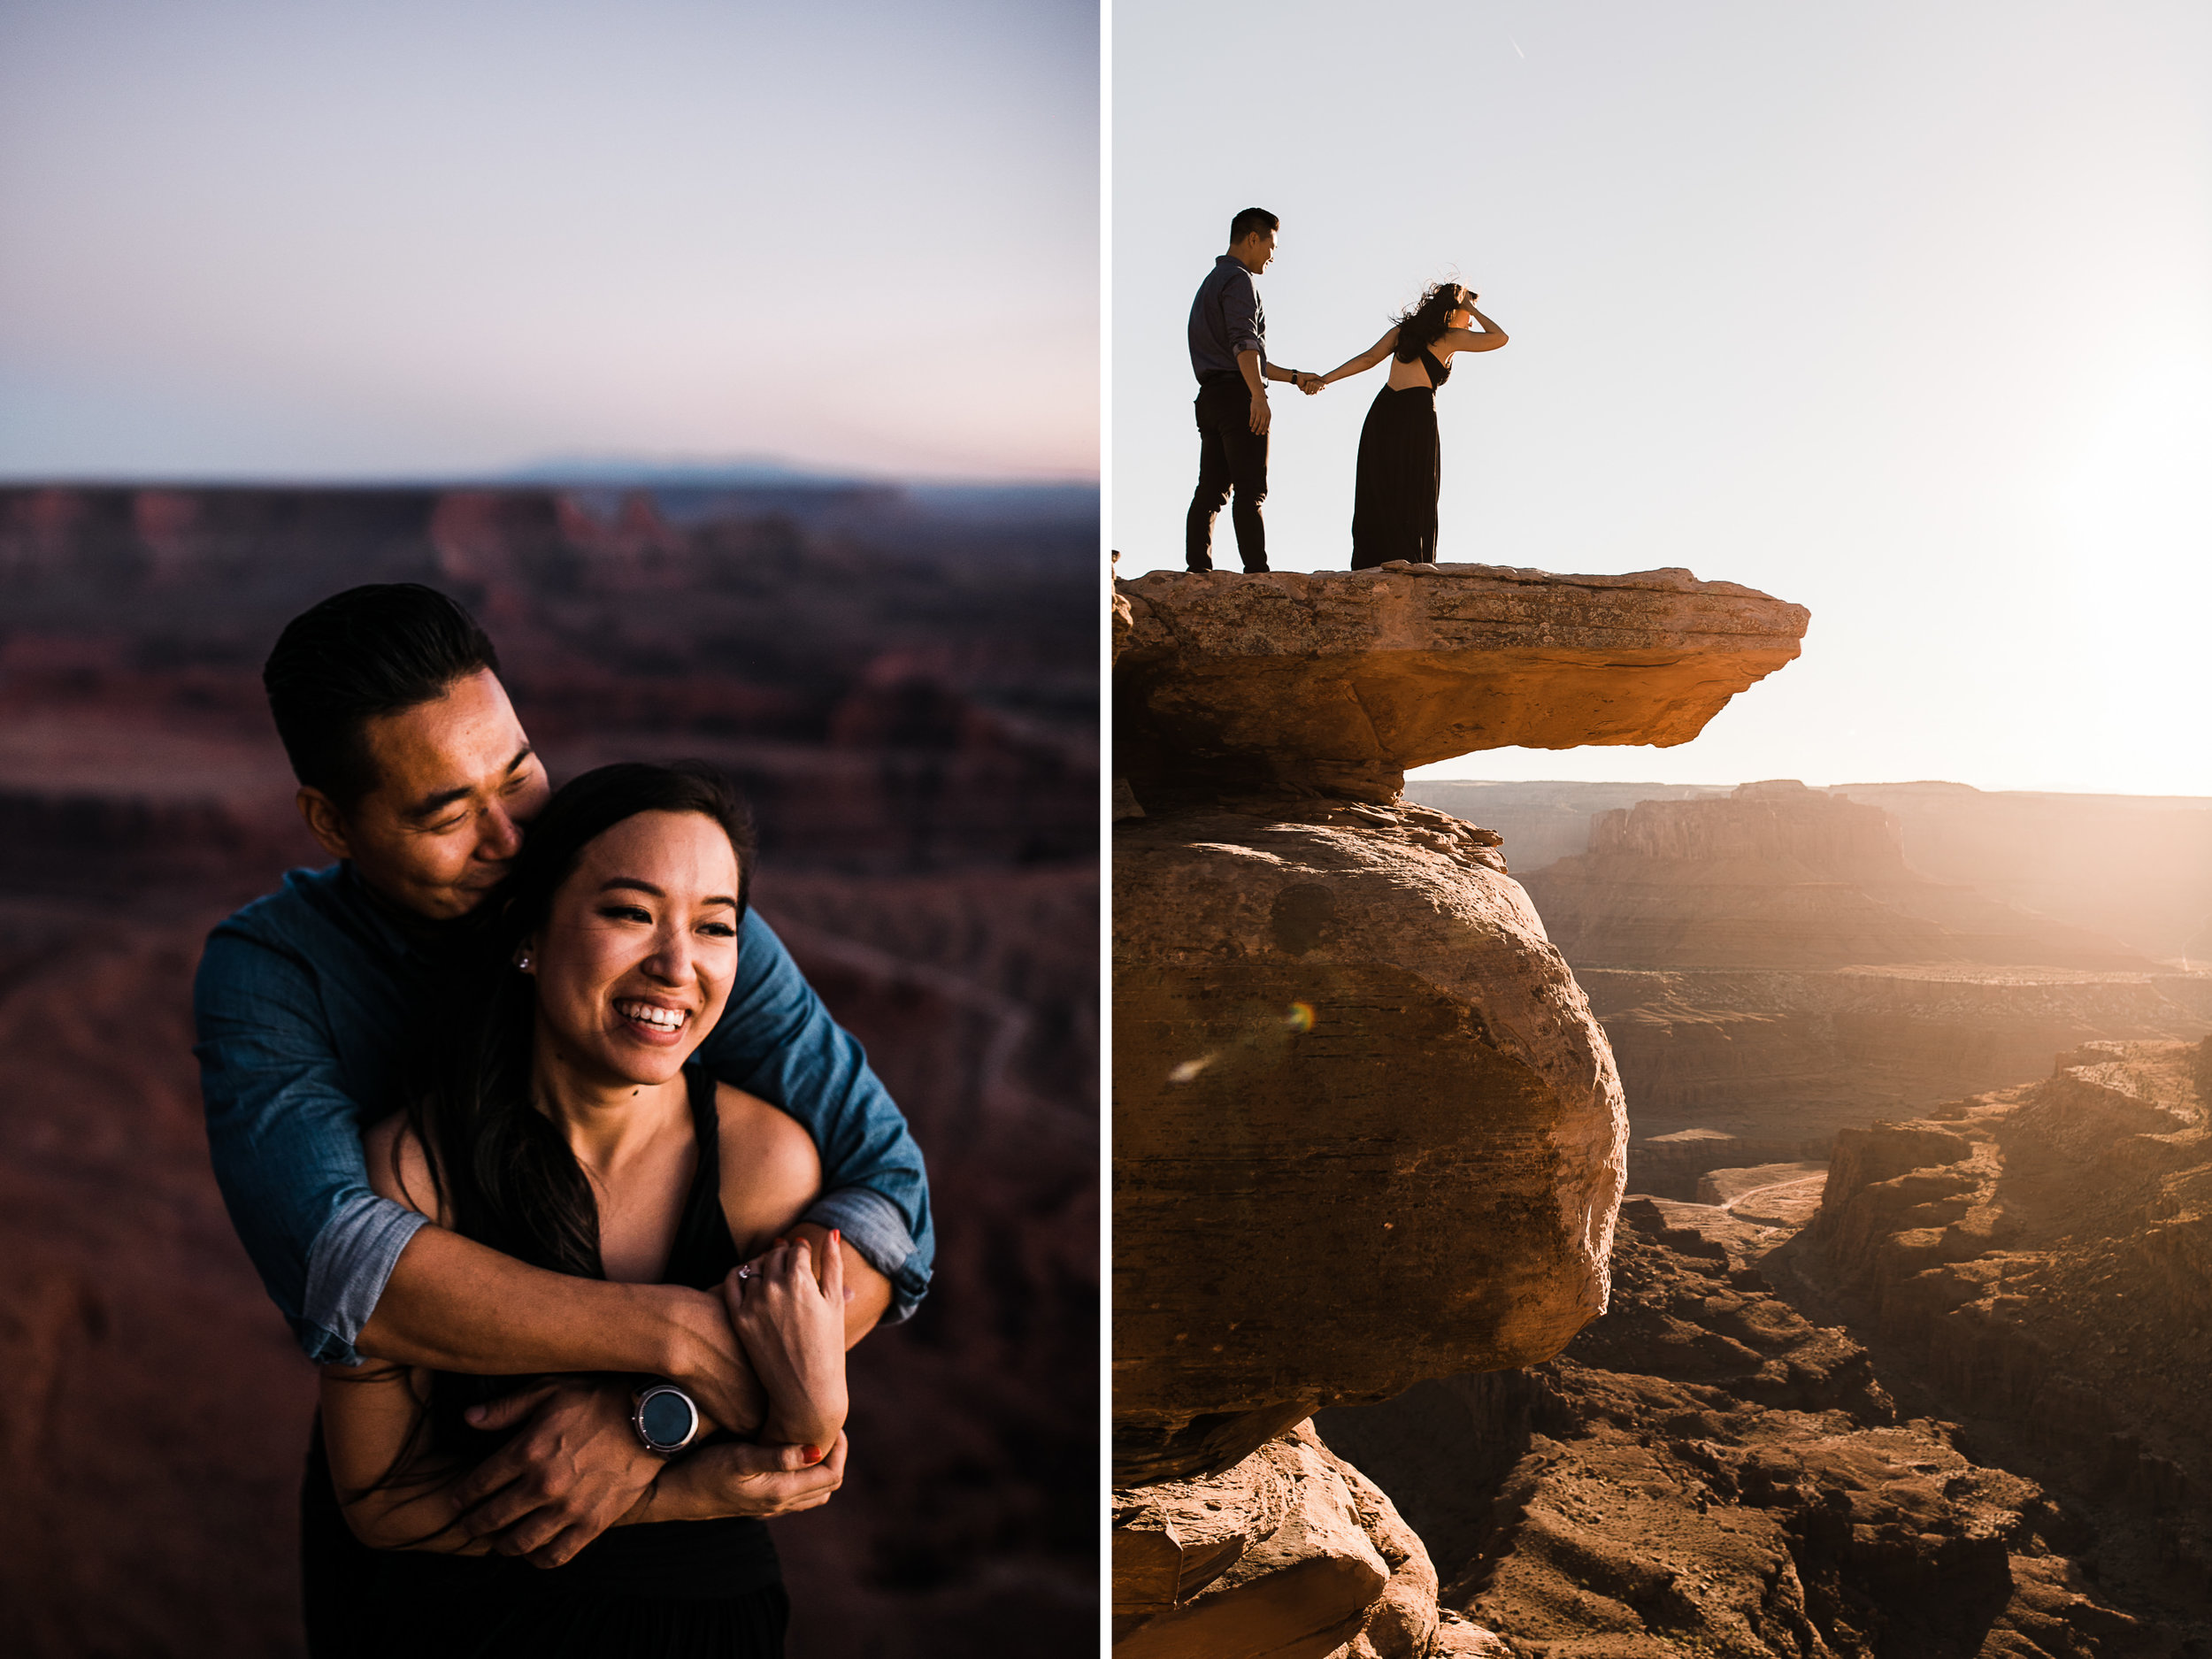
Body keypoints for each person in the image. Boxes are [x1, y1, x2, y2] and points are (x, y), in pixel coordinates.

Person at [191, 586, 931, 1645]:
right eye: (446, 814)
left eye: (519, 775)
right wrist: (684, 1341)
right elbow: (345, 1265)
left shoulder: (655, 913)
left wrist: (646, 1421)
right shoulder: (273, 975)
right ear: (331, 821)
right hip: (436, 1546)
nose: (508, 837)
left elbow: (891, 1198)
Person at [316, 761, 849, 1655]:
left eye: (715, 927)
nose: (677, 966)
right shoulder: (415, 1171)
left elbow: (803, 1459)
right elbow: (380, 1505)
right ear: (530, 930)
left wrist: (649, 1431)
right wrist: (678, 1490)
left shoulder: (768, 1167)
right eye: (630, 912)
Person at [1314, 282, 1509, 568]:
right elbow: (1499, 338)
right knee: (1413, 491)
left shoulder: (1403, 333)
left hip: (1383, 413)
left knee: (1382, 488)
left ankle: (1376, 562)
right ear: (1454, 310)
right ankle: (1409, 563)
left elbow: (1368, 359)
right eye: (1467, 313)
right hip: (1414, 415)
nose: (1470, 321)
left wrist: (1324, 379)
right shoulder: (1449, 338)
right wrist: (1468, 306)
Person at [1185, 206, 1325, 573]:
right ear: (1253, 238)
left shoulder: (1210, 283)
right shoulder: (1240, 280)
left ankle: (1197, 570)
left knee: (1211, 491)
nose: (1272, 255)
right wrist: (1258, 397)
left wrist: (1295, 377)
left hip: (1211, 398)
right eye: (1271, 246)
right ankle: (1257, 574)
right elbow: (1244, 344)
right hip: (1238, 398)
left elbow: (1248, 357)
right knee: (1250, 491)